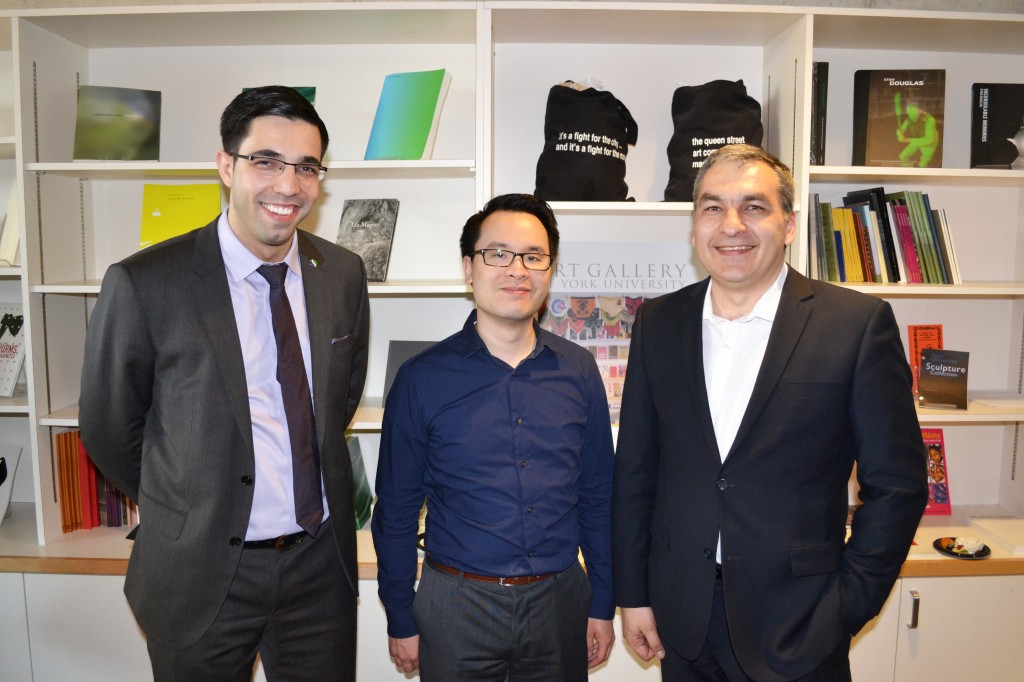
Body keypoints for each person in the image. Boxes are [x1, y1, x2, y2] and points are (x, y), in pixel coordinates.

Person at [79, 85, 369, 681]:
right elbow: (109, 428)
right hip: (198, 572)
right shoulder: (145, 282)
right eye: (267, 161)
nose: (289, 185)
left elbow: (337, 400)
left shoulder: (341, 273)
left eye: (307, 167)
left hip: (318, 570)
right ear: (225, 165)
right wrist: (188, 500)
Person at [612, 144, 927, 682]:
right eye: (712, 207)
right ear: (694, 227)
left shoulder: (855, 325)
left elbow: (897, 485)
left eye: (754, 207)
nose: (731, 226)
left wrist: (846, 605)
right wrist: (634, 595)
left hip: (800, 624)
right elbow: (637, 472)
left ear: (789, 225)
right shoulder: (658, 323)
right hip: (682, 620)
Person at [371, 193, 615, 680]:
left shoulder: (579, 370)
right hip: (456, 603)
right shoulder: (421, 378)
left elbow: (598, 497)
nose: (517, 270)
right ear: (469, 267)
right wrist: (400, 613)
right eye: (497, 254)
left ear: (549, 269)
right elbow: (396, 509)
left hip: (560, 598)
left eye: (533, 256)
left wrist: (603, 601)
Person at [896, 100, 939, 168]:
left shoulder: (930, 120)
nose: (912, 116)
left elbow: (928, 140)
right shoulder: (910, 118)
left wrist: (906, 139)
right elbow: (903, 127)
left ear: (920, 111)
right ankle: (908, 173)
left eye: (914, 113)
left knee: (922, 166)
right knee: (903, 157)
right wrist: (900, 133)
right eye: (910, 113)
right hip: (918, 139)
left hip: (930, 144)